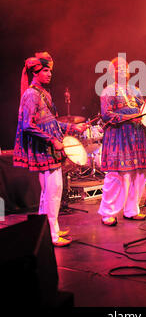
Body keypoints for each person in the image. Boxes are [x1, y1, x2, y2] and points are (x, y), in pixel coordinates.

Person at [13, 52, 87, 247]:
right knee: (53, 192)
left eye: (50, 71)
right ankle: (52, 235)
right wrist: (52, 141)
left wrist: (73, 127)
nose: (49, 74)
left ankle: (47, 229)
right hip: (44, 150)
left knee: (50, 193)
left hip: (50, 150)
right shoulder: (31, 94)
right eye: (45, 70)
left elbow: (52, 123)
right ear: (35, 72)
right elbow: (28, 126)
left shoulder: (44, 93)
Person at [98, 57, 146, 226]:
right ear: (112, 73)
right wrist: (130, 117)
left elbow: (143, 110)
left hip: (136, 136)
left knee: (139, 174)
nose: (123, 71)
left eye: (125, 68)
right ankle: (108, 212)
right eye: (118, 68)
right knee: (118, 175)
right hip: (118, 136)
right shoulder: (107, 91)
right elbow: (107, 115)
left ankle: (132, 210)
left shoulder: (135, 90)